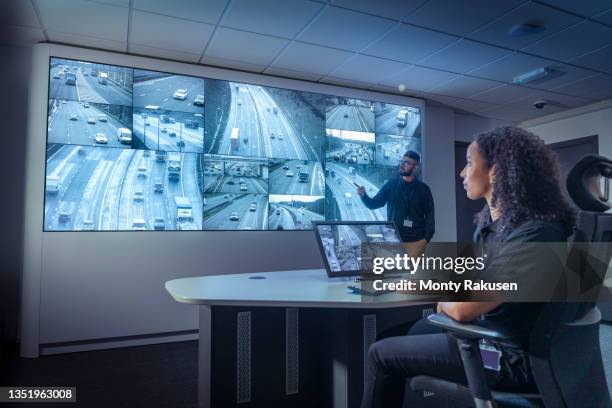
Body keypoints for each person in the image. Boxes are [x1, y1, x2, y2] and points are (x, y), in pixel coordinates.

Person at [361, 127, 575, 408]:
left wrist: (444, 298)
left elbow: (464, 307)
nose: (462, 173)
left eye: (469, 162)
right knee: (393, 336)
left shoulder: (535, 233)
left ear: (495, 171)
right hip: (484, 330)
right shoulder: (494, 227)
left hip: (506, 354)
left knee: (380, 353)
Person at [356, 150, 434, 256]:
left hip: (416, 242)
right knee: (394, 272)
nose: (401, 165)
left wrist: (424, 241)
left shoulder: (424, 189)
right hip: (393, 240)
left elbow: (430, 218)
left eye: (406, 162)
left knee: (415, 272)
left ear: (415, 167)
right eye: (402, 161)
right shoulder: (391, 185)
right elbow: (373, 204)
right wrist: (364, 196)